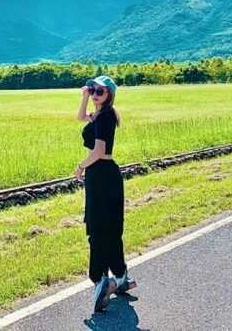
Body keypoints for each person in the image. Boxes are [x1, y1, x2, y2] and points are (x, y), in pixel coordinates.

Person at [75, 74, 136, 313]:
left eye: (99, 92)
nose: (95, 95)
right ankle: (119, 275)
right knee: (108, 226)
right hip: (102, 175)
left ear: (109, 95)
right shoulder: (99, 115)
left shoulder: (106, 116)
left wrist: (81, 166)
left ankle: (102, 279)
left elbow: (99, 150)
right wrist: (83, 97)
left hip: (101, 174)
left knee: (99, 227)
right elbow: (80, 117)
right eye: (93, 91)